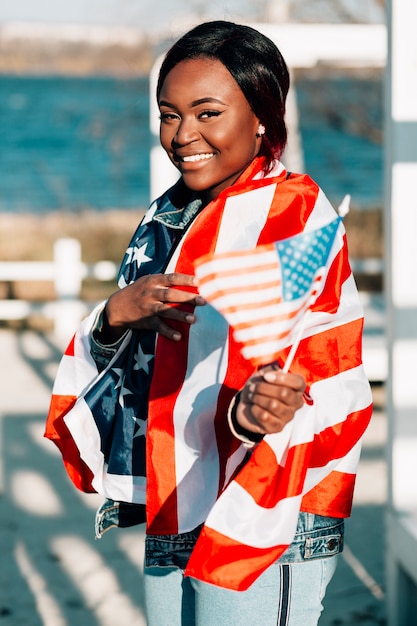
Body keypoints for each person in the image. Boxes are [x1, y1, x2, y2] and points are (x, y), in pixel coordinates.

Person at [45, 20, 373, 626]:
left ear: (263, 121)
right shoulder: (169, 214)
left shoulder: (292, 212)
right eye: (169, 114)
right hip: (179, 478)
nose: (183, 135)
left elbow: (318, 362)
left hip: (266, 499)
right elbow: (138, 358)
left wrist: (253, 413)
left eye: (207, 113)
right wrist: (116, 313)